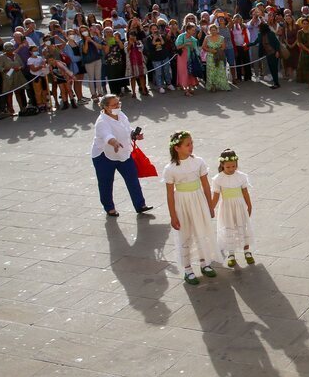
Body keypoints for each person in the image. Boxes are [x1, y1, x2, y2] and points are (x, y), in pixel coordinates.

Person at [164, 130, 218, 285]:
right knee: (185, 234)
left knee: (201, 229)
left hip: (198, 200)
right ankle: (187, 268)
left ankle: (204, 262)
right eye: (187, 144)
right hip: (182, 202)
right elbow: (169, 194)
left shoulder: (198, 162)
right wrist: (173, 215)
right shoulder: (171, 169)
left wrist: (210, 205)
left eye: (192, 143)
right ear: (177, 148)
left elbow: (206, 185)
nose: (191, 146)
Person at [90, 94, 152, 217]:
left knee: (132, 178)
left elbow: (127, 128)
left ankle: (140, 205)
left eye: (118, 103)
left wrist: (134, 134)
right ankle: (109, 208)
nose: (118, 106)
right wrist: (114, 143)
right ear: (106, 107)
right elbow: (107, 135)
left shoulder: (121, 115)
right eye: (114, 105)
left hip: (123, 153)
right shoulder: (101, 121)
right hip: (104, 156)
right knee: (106, 182)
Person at [210, 149, 255, 268]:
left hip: (240, 206)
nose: (231, 169)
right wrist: (211, 209)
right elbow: (215, 196)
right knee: (229, 228)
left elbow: (245, 192)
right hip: (226, 208)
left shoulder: (241, 177)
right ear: (222, 165)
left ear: (236, 164)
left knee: (243, 227)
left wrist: (249, 205)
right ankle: (231, 254)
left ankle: (247, 251)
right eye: (228, 167)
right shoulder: (218, 179)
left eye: (233, 166)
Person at [175, 19, 201, 96]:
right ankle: (186, 89)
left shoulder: (193, 39)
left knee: (190, 72)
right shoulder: (181, 36)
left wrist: (193, 49)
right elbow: (177, 47)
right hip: (182, 57)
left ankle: (190, 87)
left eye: (194, 30)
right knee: (184, 72)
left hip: (190, 57)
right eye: (192, 30)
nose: (194, 31)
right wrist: (185, 44)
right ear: (188, 30)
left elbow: (196, 50)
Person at [202, 24, 230, 91]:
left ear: (217, 30)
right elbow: (203, 47)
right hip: (210, 56)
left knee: (220, 70)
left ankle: (223, 85)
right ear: (209, 31)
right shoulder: (207, 38)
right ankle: (212, 86)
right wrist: (210, 50)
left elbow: (223, 47)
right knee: (211, 71)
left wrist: (217, 51)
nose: (213, 31)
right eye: (211, 30)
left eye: (214, 30)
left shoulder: (221, 38)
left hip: (218, 56)